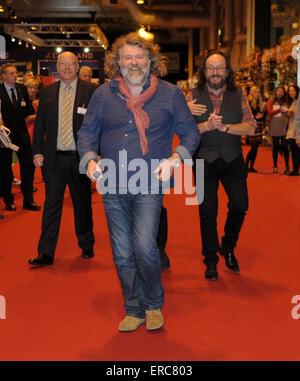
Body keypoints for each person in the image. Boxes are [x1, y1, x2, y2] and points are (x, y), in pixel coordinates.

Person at [77, 32, 200, 332]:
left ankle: (154, 303)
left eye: (139, 57)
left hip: (149, 182)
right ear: (117, 63)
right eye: (127, 57)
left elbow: (191, 134)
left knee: (145, 247)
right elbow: (87, 133)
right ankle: (133, 307)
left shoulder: (170, 94)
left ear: (150, 61)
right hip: (112, 184)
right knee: (121, 252)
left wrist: (175, 160)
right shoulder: (102, 95)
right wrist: (90, 159)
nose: (134, 63)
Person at [190, 51, 256, 281]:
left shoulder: (239, 95)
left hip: (232, 158)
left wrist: (226, 128)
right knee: (207, 212)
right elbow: (183, 131)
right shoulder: (193, 96)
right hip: (201, 160)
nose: (215, 72)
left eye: (219, 68)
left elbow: (250, 127)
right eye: (211, 68)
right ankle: (210, 261)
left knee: (240, 205)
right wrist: (207, 126)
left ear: (227, 71)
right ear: (204, 72)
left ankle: (227, 245)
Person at [28, 52, 97, 266]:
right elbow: (40, 125)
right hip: (53, 160)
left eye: (71, 63)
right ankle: (46, 252)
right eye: (63, 63)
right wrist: (37, 152)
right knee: (51, 205)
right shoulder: (48, 91)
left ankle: (86, 244)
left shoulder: (92, 91)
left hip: (80, 159)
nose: (67, 67)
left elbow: (97, 126)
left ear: (78, 66)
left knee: (82, 204)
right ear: (57, 66)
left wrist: (96, 154)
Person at [0, 64, 40, 212]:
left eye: (16, 73)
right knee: (5, 169)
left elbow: (29, 110)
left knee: (27, 168)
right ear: (3, 75)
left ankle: (29, 200)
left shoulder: (22, 89)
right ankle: (8, 200)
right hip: (5, 137)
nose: (15, 75)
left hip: (22, 135)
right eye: (11, 73)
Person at [267, 85, 289, 174]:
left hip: (284, 124)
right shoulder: (271, 101)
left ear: (284, 93)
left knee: (285, 146)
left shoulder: (286, 101)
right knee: (275, 146)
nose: (280, 93)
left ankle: (287, 166)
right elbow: (270, 112)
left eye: (282, 92)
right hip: (275, 124)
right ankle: (275, 166)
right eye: (278, 91)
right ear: (276, 92)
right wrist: (280, 109)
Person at [245, 86, 266, 173]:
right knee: (253, 147)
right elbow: (247, 115)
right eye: (255, 92)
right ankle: (245, 165)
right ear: (251, 93)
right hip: (252, 126)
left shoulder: (261, 103)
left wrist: (262, 116)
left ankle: (252, 166)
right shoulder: (248, 102)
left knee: (256, 147)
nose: (257, 94)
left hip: (259, 126)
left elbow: (264, 115)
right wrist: (255, 117)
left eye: (258, 92)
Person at [286, 85, 300, 176]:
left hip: (297, 129)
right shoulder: (292, 102)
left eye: (293, 90)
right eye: (290, 91)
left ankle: (296, 170)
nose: (291, 92)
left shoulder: (298, 102)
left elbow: (297, 116)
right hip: (291, 128)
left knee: (296, 150)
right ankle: (295, 169)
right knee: (294, 151)